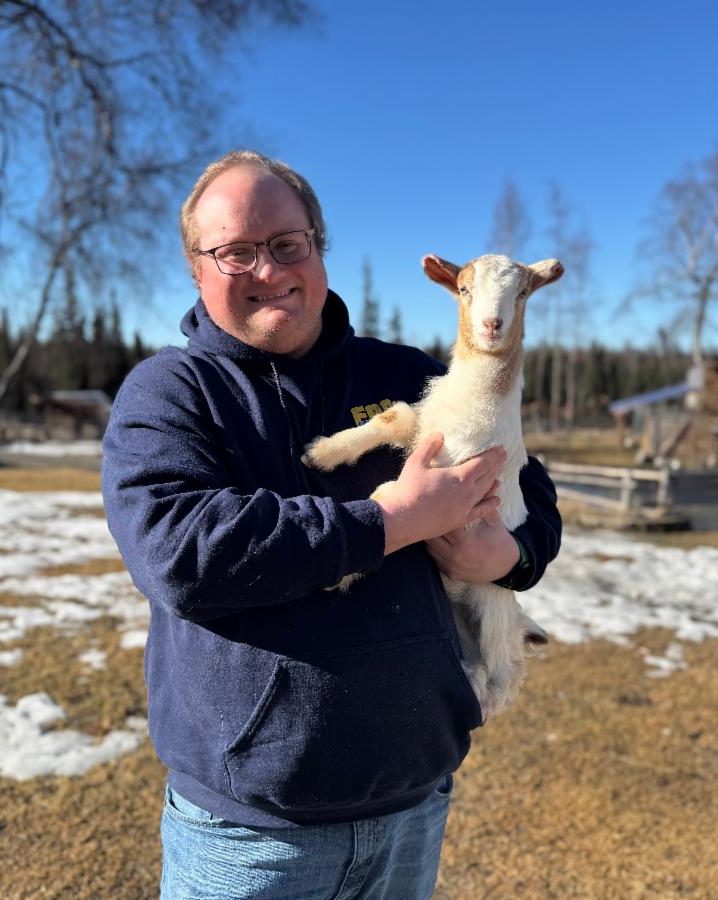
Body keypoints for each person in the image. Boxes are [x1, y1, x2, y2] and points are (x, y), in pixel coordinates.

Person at [102, 150, 561, 899]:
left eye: (288, 243)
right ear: (196, 268)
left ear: (318, 248)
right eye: (235, 251)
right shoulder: (171, 394)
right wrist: (391, 521)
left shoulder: (405, 375)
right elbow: (181, 553)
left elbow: (530, 484)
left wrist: (509, 555)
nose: (268, 268)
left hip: (414, 806)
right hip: (250, 837)